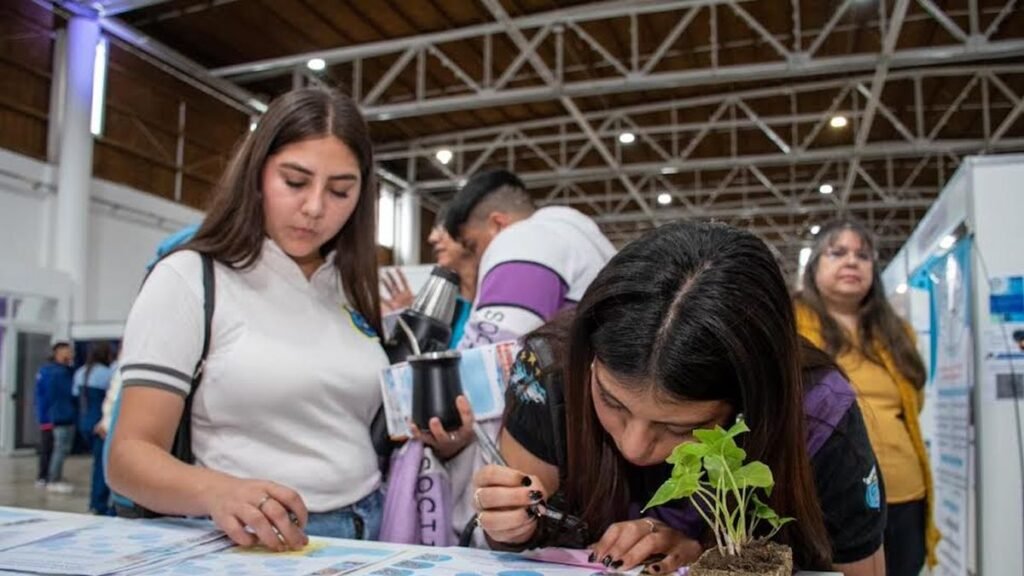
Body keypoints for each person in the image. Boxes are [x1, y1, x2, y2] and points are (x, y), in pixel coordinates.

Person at [472, 222, 887, 575]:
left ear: (749, 404)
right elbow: (519, 541)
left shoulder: (818, 411)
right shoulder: (549, 369)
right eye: (611, 401)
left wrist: (715, 555)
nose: (634, 447)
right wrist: (511, 525)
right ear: (590, 362)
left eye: (680, 427)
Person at [108, 88, 388, 551]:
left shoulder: (349, 288)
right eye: (295, 182)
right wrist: (220, 491)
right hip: (254, 541)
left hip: (368, 535)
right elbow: (128, 456)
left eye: (341, 190)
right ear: (257, 174)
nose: (316, 207)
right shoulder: (190, 278)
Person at [796, 220, 939, 575]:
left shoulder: (896, 331)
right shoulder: (789, 324)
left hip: (905, 494)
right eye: (838, 252)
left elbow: (912, 405)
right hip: (829, 500)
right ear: (814, 265)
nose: (852, 262)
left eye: (863, 255)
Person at [74, 342, 116, 514]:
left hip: (84, 422)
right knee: (102, 466)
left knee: (96, 464)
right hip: (101, 425)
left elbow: (76, 397)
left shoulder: (79, 373)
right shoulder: (107, 374)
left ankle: (94, 502)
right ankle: (99, 504)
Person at [34, 342, 75, 493]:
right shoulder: (51, 372)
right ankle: (46, 478)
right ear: (58, 353)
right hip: (52, 417)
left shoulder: (66, 371)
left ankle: (48, 476)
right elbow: (48, 397)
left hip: (57, 416)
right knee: (49, 448)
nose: (71, 354)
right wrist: (46, 417)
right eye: (67, 351)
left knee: (55, 449)